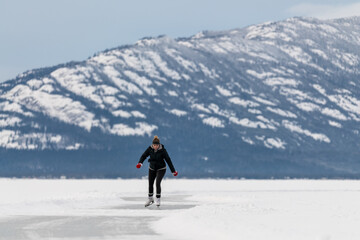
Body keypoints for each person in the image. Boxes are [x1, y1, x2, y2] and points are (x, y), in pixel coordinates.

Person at [136, 135, 178, 207]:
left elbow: (168, 160)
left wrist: (173, 171)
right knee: (150, 183)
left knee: (157, 182)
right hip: (152, 168)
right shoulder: (150, 149)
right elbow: (144, 155)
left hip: (161, 169)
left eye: (157, 145)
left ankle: (158, 199)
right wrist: (140, 163)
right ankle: (150, 199)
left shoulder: (163, 150)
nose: (155, 146)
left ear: (159, 145)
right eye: (154, 145)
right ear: (152, 145)